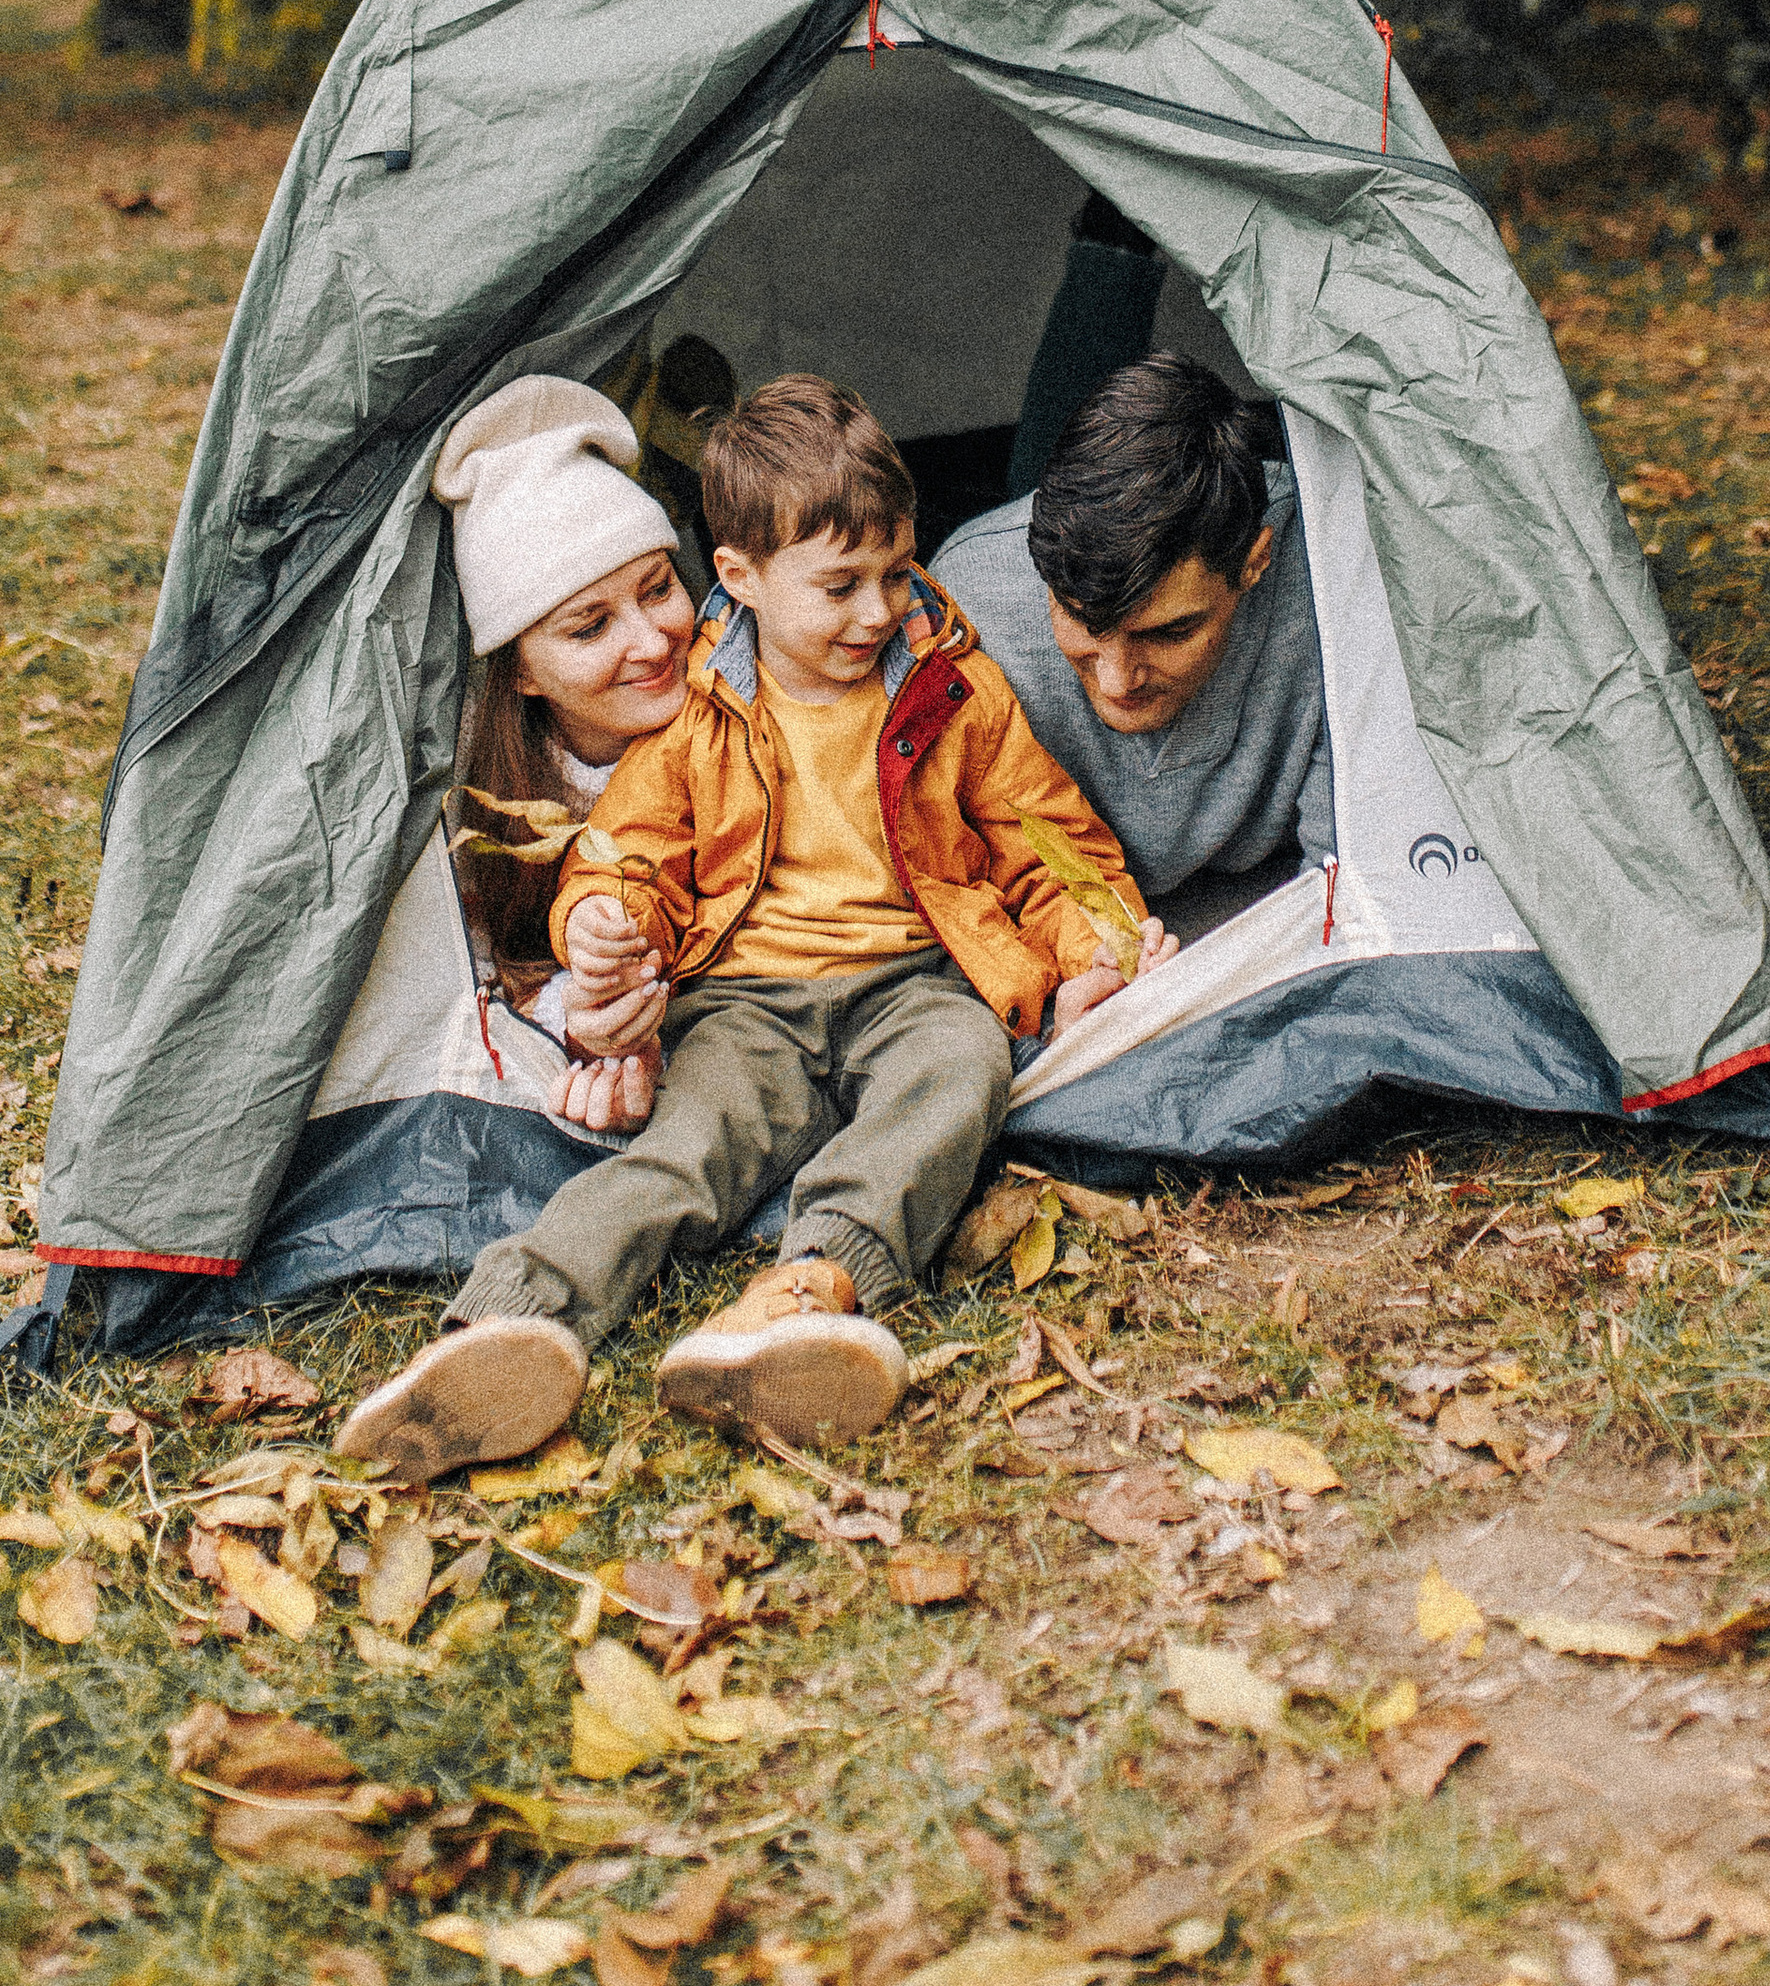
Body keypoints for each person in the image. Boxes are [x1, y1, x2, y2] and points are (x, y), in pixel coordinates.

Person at [336, 374, 1174, 1481]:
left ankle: (806, 1288)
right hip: (747, 1001)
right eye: (838, 586)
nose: (875, 612)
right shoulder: (697, 709)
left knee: (959, 1078)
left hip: (916, 978)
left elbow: (1041, 832)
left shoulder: (945, 686)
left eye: (891, 572)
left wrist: (1097, 940)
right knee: (685, 1151)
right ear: (740, 576)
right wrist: (603, 919)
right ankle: (508, 1324)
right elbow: (634, 847)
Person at [933, 351, 1332, 938]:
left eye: (1170, 632)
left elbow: (1353, 890)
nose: (1118, 681)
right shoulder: (967, 611)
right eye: (1084, 624)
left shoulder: (1333, 575)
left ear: (1255, 562)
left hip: (1272, 916)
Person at [431, 376, 698, 1134]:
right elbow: (467, 976)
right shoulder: (480, 795)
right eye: (590, 628)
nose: (651, 643)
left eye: (658, 589)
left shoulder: (740, 719)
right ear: (520, 670)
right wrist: (580, 1023)